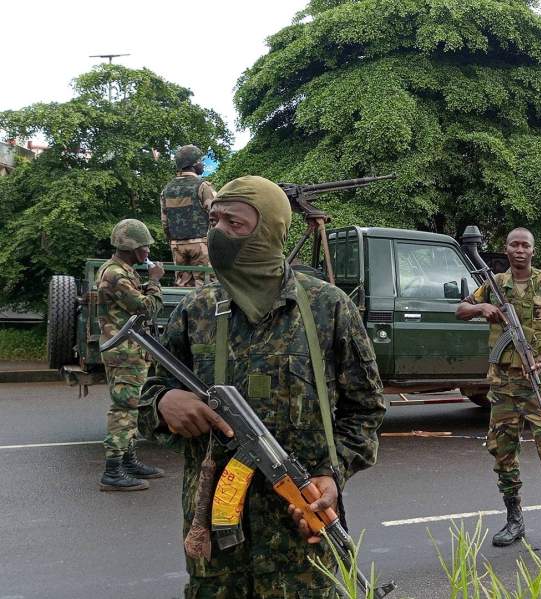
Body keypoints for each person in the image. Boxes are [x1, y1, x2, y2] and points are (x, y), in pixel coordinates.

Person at [139, 176, 387, 597]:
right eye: (214, 220)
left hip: (302, 534)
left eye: (233, 223)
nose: (218, 233)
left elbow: (366, 409)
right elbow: (147, 400)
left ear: (269, 229)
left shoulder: (328, 308)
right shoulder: (195, 311)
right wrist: (164, 402)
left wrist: (332, 473)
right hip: (216, 549)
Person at [456, 228, 541, 563]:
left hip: (539, 385)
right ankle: (514, 520)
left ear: (533, 251)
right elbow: (459, 310)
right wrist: (483, 308)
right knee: (502, 453)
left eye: (525, 245)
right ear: (506, 249)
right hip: (503, 387)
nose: (520, 250)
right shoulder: (496, 284)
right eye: (514, 245)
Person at [97, 218, 166, 491]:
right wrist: (155, 281)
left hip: (126, 348)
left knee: (131, 407)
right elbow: (147, 308)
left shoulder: (120, 270)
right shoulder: (116, 274)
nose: (148, 252)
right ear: (132, 247)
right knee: (124, 409)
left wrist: (148, 283)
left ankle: (128, 461)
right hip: (124, 351)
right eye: (145, 248)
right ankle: (113, 471)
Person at [160, 144, 216, 287]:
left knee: (183, 288)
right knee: (206, 287)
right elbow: (216, 214)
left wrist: (173, 241)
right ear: (193, 164)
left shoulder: (167, 189)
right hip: (201, 244)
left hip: (177, 245)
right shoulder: (203, 186)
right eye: (200, 160)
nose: (202, 164)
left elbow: (165, 222)